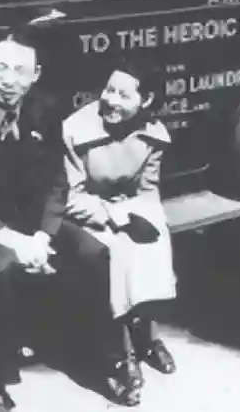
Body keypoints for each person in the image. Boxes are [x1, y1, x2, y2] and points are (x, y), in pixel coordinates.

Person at [0, 26, 120, 412]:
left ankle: (102, 360)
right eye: (1, 68)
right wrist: (12, 240)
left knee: (94, 253)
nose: (9, 80)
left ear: (35, 75)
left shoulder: (45, 110)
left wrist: (44, 236)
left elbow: (57, 181)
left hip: (31, 225)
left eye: (20, 71)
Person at [62, 53, 178, 407]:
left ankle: (148, 335)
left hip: (128, 206)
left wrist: (148, 219)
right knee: (115, 252)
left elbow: (148, 191)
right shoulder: (75, 130)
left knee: (156, 239)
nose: (110, 100)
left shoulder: (154, 136)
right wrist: (114, 218)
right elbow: (68, 197)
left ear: (146, 101)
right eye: (109, 90)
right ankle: (121, 352)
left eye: (123, 95)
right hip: (86, 213)